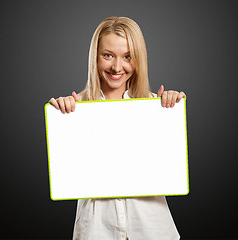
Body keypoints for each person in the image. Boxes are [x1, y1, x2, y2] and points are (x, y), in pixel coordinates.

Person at [49, 16, 186, 240]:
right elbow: (68, 173)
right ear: (95, 57)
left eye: (127, 57)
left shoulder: (156, 106)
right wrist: (63, 120)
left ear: (138, 59)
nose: (116, 67)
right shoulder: (74, 110)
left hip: (151, 227)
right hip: (96, 228)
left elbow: (169, 166)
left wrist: (171, 111)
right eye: (108, 55)